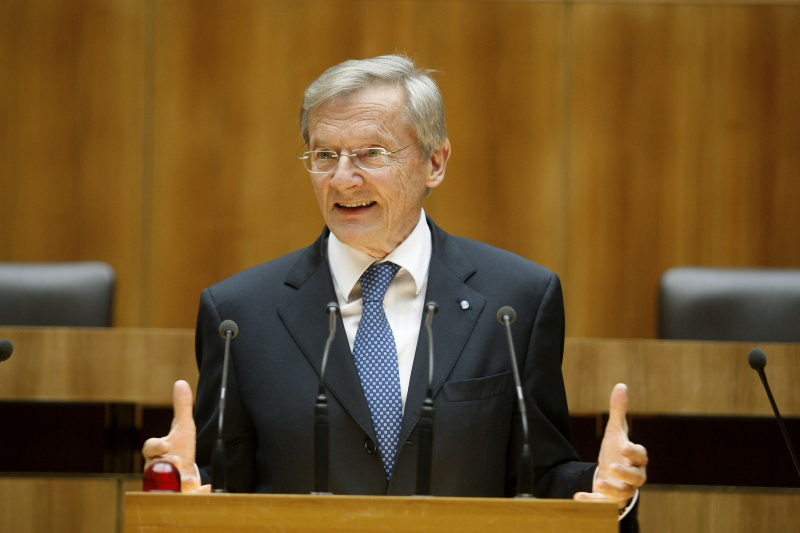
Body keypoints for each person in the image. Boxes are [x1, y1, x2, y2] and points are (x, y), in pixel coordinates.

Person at [143, 54, 647, 529]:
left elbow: (540, 477)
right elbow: (222, 486)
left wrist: (607, 493)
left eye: (372, 153)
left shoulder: (516, 301)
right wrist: (177, 490)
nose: (343, 179)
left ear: (435, 162)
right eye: (325, 155)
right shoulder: (239, 315)